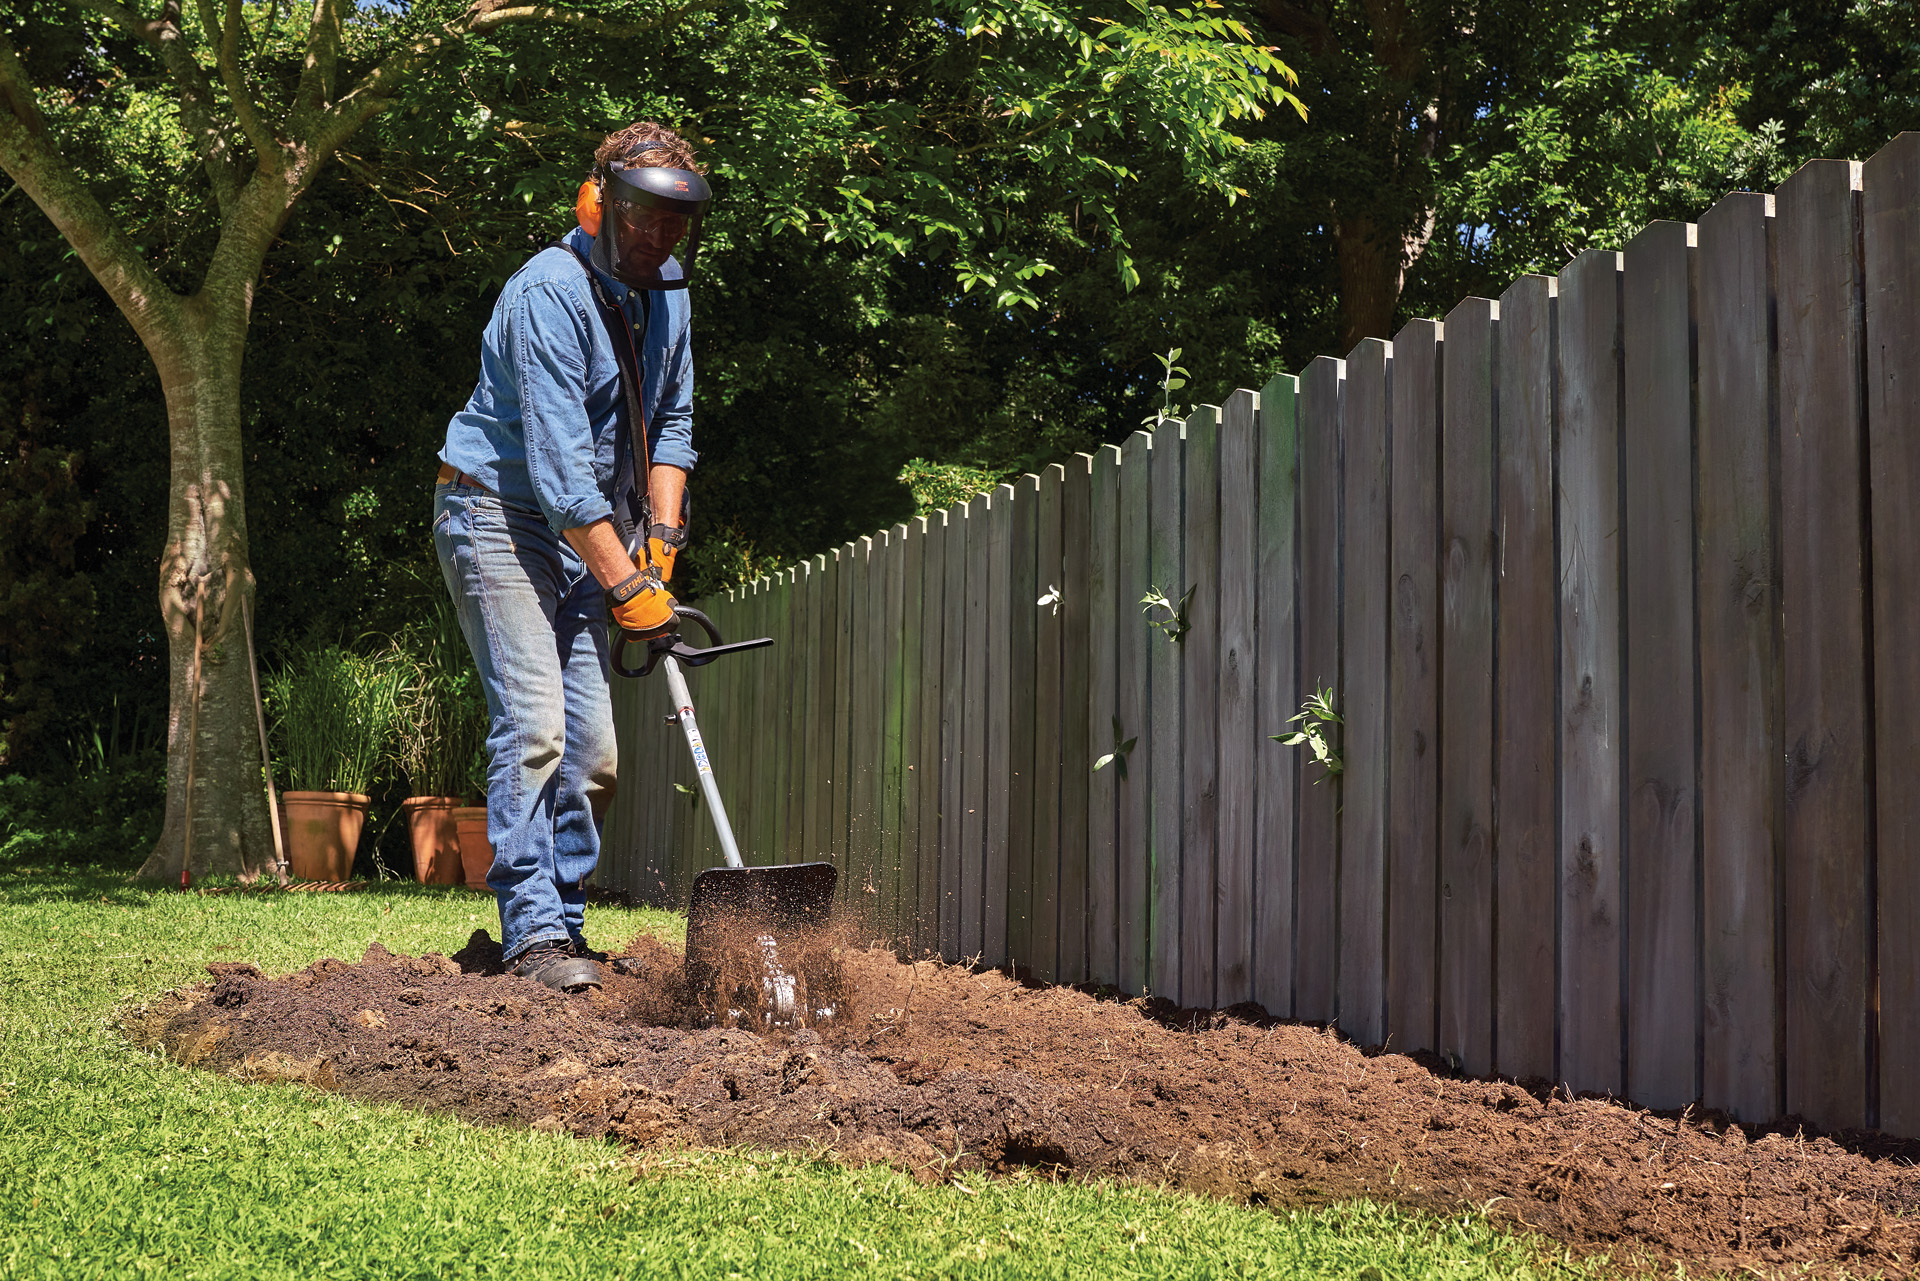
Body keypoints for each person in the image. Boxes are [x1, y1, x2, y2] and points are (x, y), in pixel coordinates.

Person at [432, 121, 709, 992]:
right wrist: (627, 584)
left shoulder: (669, 293)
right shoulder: (546, 294)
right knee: (536, 726)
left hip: (596, 532)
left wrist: (658, 548)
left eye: (675, 221)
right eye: (640, 215)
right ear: (597, 202)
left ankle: (567, 921)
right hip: (497, 513)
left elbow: (672, 426)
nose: (657, 237)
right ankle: (532, 933)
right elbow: (558, 479)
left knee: (593, 754)